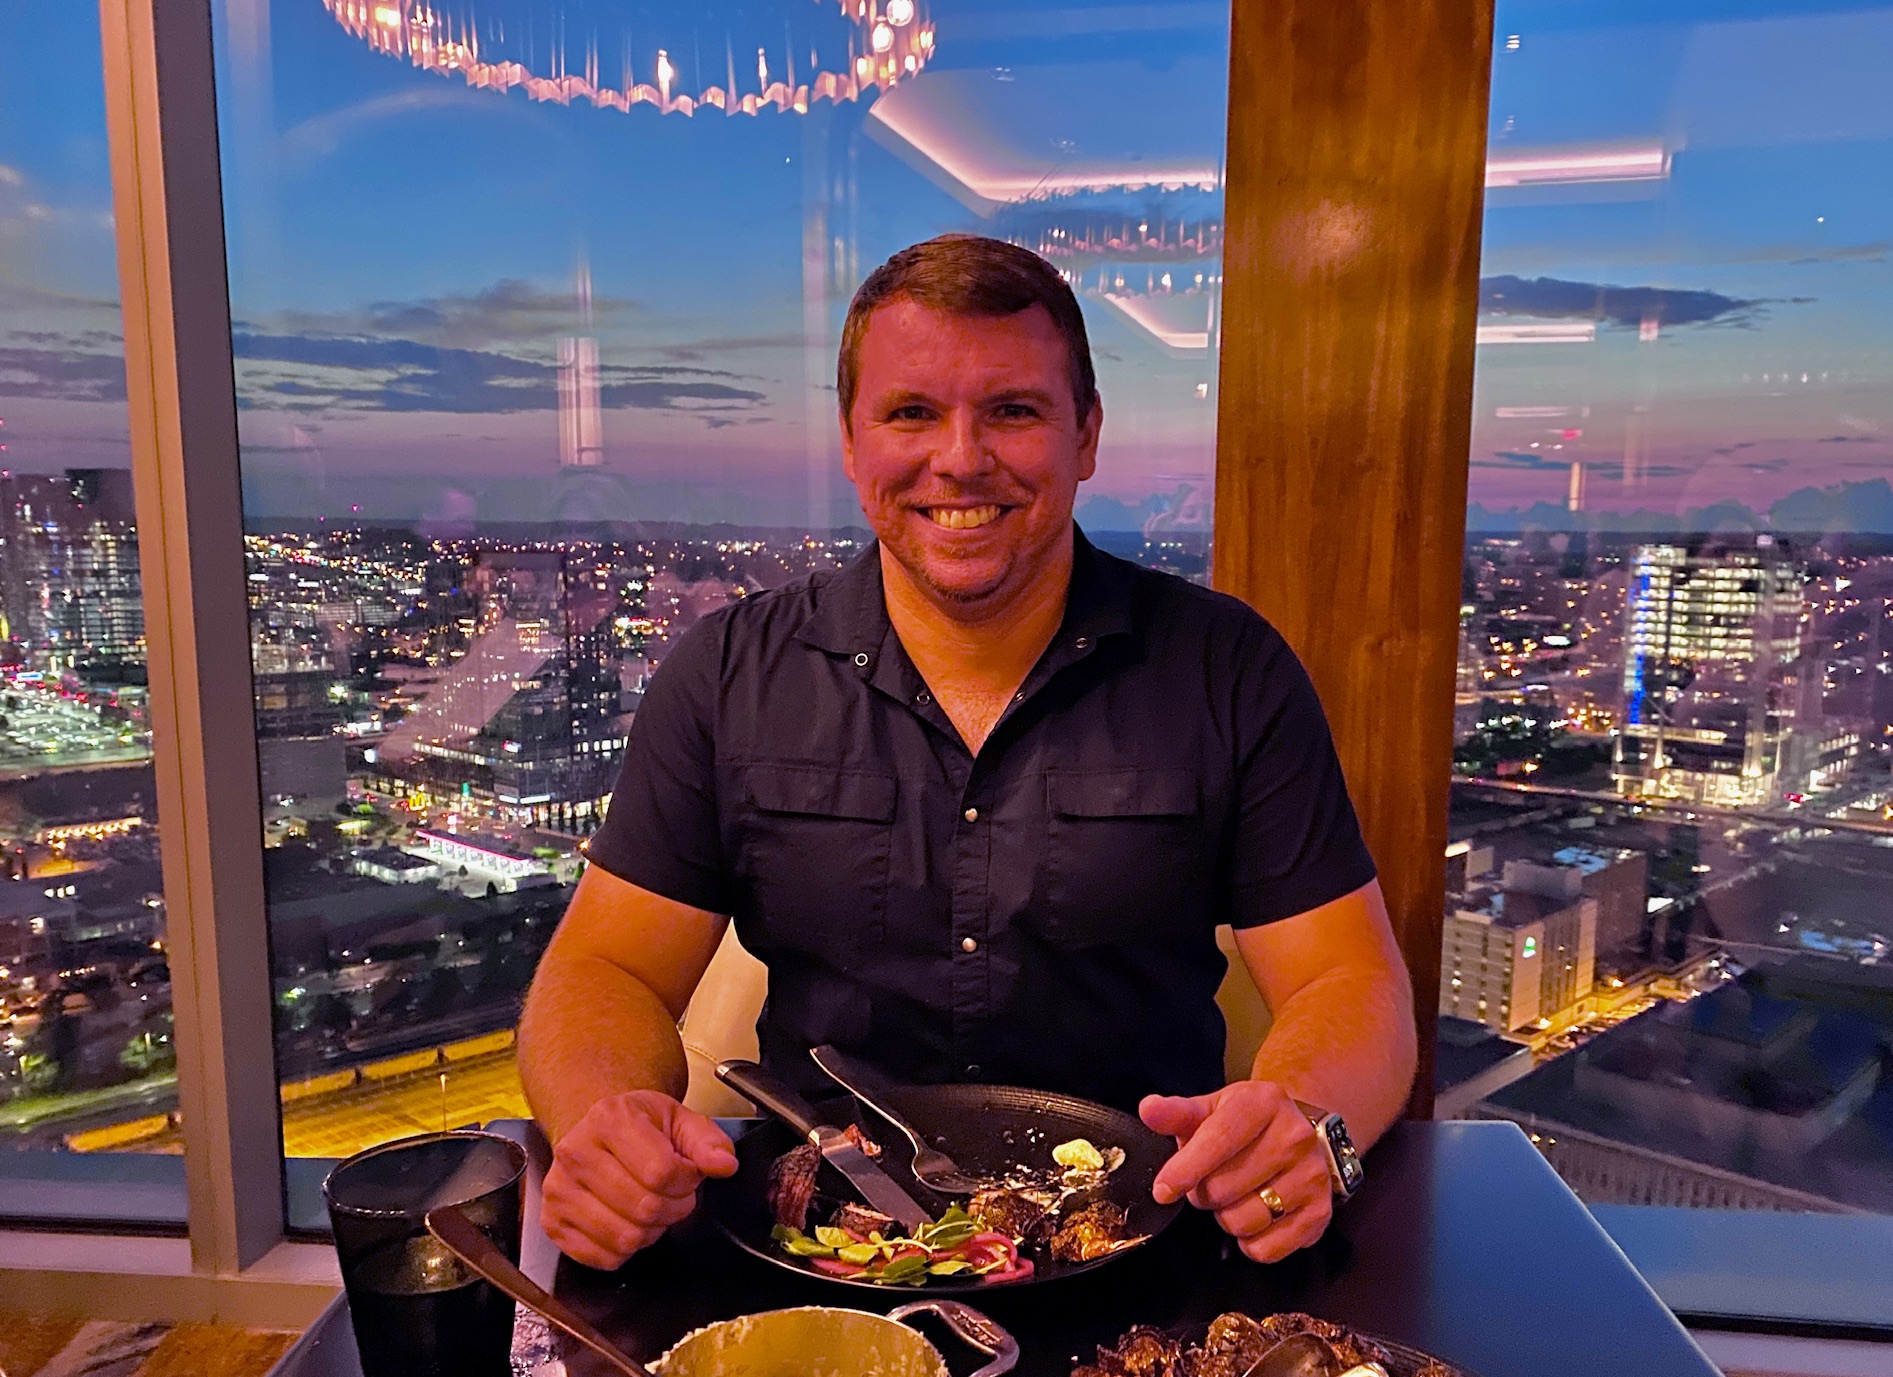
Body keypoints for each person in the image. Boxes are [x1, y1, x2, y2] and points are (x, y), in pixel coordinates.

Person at [518, 233, 1416, 1272]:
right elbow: (605, 968)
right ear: (851, 443)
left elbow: (1351, 980)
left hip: (1151, 1240)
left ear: (1085, 435)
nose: (959, 458)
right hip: (814, 1247)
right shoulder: (728, 674)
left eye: (1013, 411)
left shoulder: (1228, 669)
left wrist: (1305, 1122)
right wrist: (605, 1124)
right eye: (910, 413)